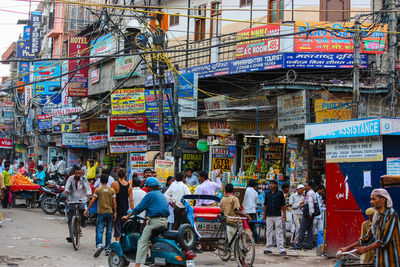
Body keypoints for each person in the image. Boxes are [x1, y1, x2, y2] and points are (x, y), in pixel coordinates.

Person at [339, 189, 400, 267]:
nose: (371, 201)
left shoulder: (391, 214)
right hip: (379, 261)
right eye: (371, 199)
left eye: (374, 199)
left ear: (383, 200)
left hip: (391, 260)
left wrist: (365, 249)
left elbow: (384, 240)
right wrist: (347, 248)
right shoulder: (377, 216)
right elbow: (367, 238)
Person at [122, 177, 169, 267]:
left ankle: (137, 265)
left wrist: (127, 216)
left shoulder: (150, 195)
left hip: (155, 222)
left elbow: (138, 208)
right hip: (164, 221)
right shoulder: (161, 194)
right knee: (150, 238)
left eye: (147, 187)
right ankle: (150, 257)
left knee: (142, 242)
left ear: (150, 187)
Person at [84, 174, 117, 257]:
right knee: (109, 230)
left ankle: (99, 245)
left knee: (99, 229)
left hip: (101, 212)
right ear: (107, 181)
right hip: (110, 212)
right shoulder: (112, 190)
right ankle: (108, 248)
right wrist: (115, 212)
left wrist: (87, 210)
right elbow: (114, 202)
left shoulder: (98, 190)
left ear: (101, 181)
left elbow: (92, 201)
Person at [221, 183, 252, 255]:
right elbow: (237, 210)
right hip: (236, 221)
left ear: (225, 190)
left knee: (233, 241)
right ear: (233, 190)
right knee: (241, 242)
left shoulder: (223, 199)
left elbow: (221, 211)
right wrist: (246, 215)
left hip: (228, 222)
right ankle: (241, 259)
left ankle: (235, 255)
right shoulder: (234, 199)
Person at [65, 167, 92, 243]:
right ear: (74, 173)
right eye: (76, 173)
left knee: (82, 209)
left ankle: (83, 221)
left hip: (82, 198)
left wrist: (88, 196)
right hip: (72, 198)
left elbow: (87, 188)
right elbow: (67, 188)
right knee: (70, 217)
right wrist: (67, 197)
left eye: (79, 173)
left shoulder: (84, 179)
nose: (78, 175)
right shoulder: (70, 178)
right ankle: (71, 235)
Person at [263, 180, 287, 255]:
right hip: (269, 215)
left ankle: (281, 249)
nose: (271, 185)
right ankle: (268, 247)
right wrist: (264, 215)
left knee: (279, 232)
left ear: (276, 185)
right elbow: (265, 205)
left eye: (273, 184)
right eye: (270, 184)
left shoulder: (280, 193)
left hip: (277, 215)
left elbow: (283, 205)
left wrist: (284, 215)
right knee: (269, 232)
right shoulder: (267, 194)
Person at [293, 182, 317, 250]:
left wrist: (310, 214)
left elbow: (311, 204)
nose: (304, 188)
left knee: (302, 228)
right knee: (309, 229)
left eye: (306, 186)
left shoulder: (310, 193)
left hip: (308, 213)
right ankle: (309, 244)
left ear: (310, 187)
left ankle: (299, 244)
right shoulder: (311, 193)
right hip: (309, 213)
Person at [111, 169, 134, 241]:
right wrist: (133, 212)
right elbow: (131, 200)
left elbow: (112, 198)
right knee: (123, 228)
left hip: (116, 209)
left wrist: (114, 211)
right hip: (125, 209)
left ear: (117, 175)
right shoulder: (129, 186)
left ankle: (118, 246)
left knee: (117, 229)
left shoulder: (114, 184)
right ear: (125, 175)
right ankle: (122, 245)